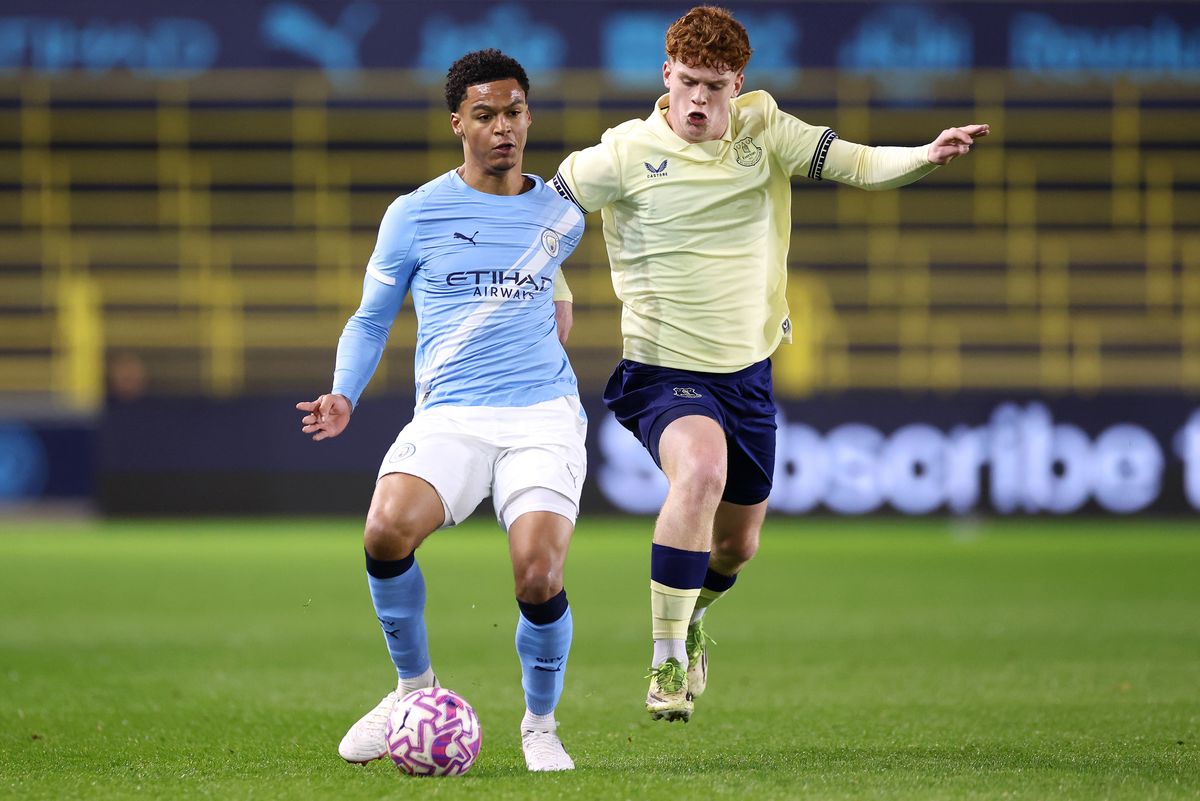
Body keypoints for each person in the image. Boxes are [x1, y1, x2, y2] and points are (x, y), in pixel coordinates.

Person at [551, 6, 988, 723]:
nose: (699, 99)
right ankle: (664, 657)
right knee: (700, 471)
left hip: (747, 372)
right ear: (666, 74)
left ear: (737, 83)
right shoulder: (622, 154)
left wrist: (924, 154)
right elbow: (547, 210)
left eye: (714, 85)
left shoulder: (766, 129)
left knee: (738, 545)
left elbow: (858, 163)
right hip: (662, 368)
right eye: (687, 81)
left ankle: (691, 615)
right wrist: (558, 286)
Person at [296, 48, 586, 772]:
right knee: (387, 528)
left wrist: (559, 310)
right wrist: (343, 392)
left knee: (538, 573)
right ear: (458, 122)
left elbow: (553, 284)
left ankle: (540, 725)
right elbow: (370, 318)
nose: (502, 128)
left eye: (514, 112)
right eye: (485, 115)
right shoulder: (415, 213)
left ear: (529, 117)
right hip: (451, 414)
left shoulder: (562, 210)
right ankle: (411, 688)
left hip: (541, 415)